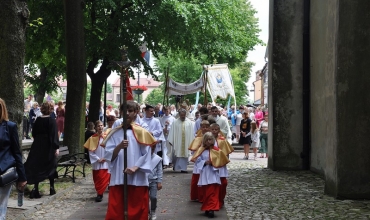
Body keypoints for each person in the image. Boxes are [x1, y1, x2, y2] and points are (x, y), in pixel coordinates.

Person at [103, 101, 156, 220]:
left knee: (137, 210)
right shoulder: (115, 132)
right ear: (120, 112)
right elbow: (108, 155)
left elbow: (147, 153)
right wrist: (119, 147)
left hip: (137, 177)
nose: (127, 113)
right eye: (124, 111)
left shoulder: (141, 131)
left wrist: (136, 167)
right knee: (116, 211)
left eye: (130, 111)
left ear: (136, 112)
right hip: (119, 175)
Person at [24, 102, 60, 198]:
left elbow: (34, 133)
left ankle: (36, 188)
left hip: (37, 146)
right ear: (51, 109)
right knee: (51, 165)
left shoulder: (38, 120)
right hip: (48, 146)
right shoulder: (52, 121)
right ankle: (52, 187)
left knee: (37, 166)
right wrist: (56, 147)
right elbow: (54, 135)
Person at [191, 132, 229, 218]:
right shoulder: (201, 150)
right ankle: (207, 207)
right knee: (206, 192)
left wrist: (214, 163)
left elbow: (222, 161)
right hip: (205, 173)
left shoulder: (217, 150)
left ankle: (212, 208)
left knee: (213, 192)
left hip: (214, 173)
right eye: (207, 140)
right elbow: (197, 161)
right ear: (204, 141)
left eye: (211, 139)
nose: (209, 141)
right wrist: (204, 162)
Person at [0, 98, 27, 219]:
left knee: (1, 206)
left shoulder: (10, 127)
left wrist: (22, 177)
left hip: (4, 172)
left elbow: (17, 152)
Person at [84, 120, 110, 202]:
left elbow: (111, 149)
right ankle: (99, 192)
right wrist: (98, 159)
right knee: (98, 177)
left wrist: (106, 158)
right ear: (95, 128)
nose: (100, 127)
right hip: (97, 161)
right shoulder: (92, 138)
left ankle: (100, 193)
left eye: (102, 125)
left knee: (104, 177)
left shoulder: (108, 137)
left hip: (106, 161)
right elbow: (91, 152)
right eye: (98, 126)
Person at [188, 120, 210, 202]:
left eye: (207, 127)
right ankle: (196, 195)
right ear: (200, 128)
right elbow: (194, 151)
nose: (205, 129)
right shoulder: (197, 138)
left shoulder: (211, 137)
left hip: (207, 159)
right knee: (197, 176)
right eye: (203, 127)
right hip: (200, 159)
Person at [166, 108, 194, 173]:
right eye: (181, 115)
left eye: (184, 115)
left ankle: (183, 169)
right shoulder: (175, 122)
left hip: (186, 141)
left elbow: (191, 133)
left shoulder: (189, 122)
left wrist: (192, 141)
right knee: (177, 153)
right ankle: (176, 167)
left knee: (185, 154)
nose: (183, 116)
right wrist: (171, 140)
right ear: (179, 115)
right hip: (177, 141)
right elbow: (172, 131)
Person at [148, 144, 163, 220]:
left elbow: (159, 171)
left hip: (153, 180)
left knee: (153, 197)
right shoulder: (143, 157)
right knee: (144, 198)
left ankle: (153, 211)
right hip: (144, 181)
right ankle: (147, 211)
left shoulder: (157, 159)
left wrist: (159, 181)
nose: (151, 150)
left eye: (153, 148)